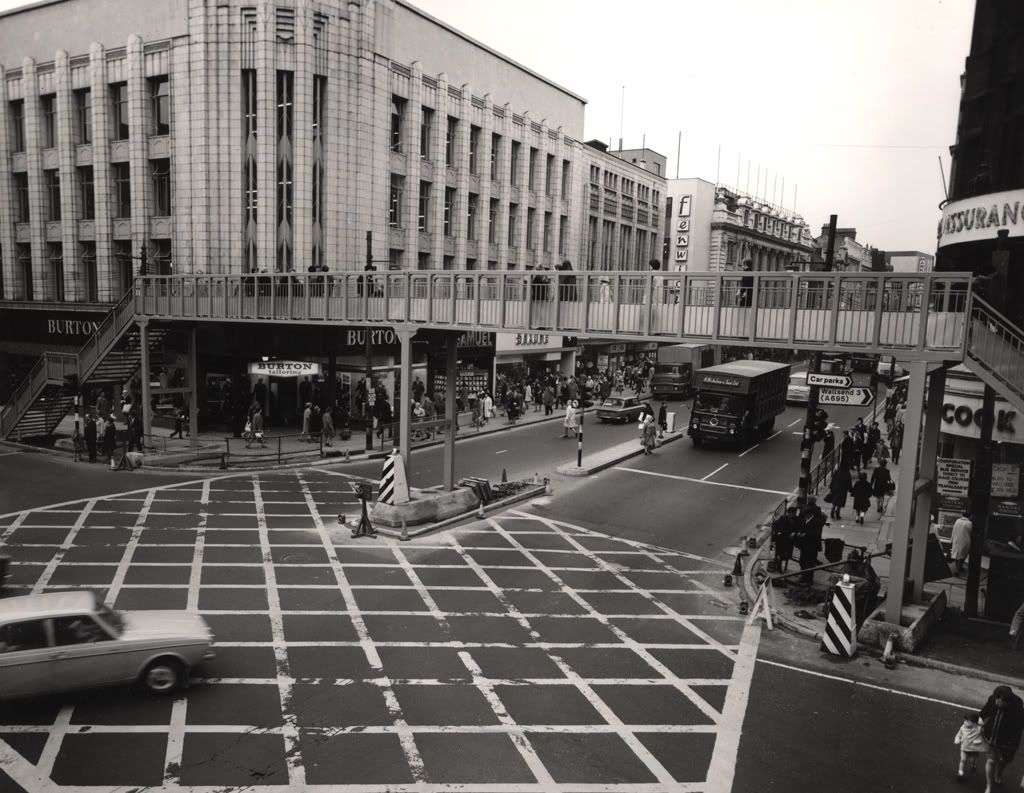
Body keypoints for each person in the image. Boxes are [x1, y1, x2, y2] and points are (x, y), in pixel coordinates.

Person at [979, 685, 1024, 792]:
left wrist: (1011, 744)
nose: (996, 703)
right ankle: (989, 785)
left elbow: (1020, 725)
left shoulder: (1017, 706)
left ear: (1008, 702)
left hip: (1007, 743)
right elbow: (985, 711)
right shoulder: (993, 698)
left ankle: (998, 774)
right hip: (991, 738)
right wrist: (979, 719)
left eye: (1000, 701)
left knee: (1003, 762)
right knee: (990, 761)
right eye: (996, 699)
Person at [795, 497, 826, 585]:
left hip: (811, 545)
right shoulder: (806, 520)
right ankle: (803, 577)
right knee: (802, 561)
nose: (805, 517)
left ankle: (808, 579)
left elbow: (816, 533)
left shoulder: (816, 522)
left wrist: (805, 534)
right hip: (805, 544)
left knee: (809, 562)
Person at [954, 712, 987, 780]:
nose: (965, 722)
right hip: (964, 748)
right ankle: (960, 773)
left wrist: (980, 722)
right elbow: (958, 734)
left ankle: (973, 764)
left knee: (972, 760)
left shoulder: (978, 729)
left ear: (974, 724)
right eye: (965, 720)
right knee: (963, 760)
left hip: (974, 749)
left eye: (968, 722)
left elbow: (984, 728)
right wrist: (957, 739)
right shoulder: (962, 727)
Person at [772, 505, 799, 573]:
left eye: (792, 513)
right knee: (780, 555)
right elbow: (775, 525)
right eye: (789, 513)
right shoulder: (783, 518)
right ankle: (779, 568)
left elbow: (799, 528)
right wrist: (779, 533)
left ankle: (781, 565)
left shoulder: (797, 520)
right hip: (782, 540)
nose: (791, 515)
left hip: (790, 541)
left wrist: (794, 533)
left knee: (787, 555)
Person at [951, 511, 973, 576]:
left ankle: (958, 568)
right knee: (962, 556)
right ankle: (957, 570)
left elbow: (953, 530)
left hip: (956, 540)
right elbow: (971, 533)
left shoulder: (957, 521)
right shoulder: (969, 523)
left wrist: (951, 539)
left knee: (956, 555)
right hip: (965, 542)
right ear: (970, 515)